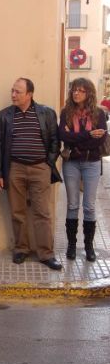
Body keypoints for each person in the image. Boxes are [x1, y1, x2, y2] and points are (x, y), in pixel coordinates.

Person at [0, 78, 62, 270]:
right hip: (14, 169)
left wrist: (48, 164)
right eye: (12, 91)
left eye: (18, 92)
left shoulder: (46, 113)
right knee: (17, 212)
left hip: (40, 169)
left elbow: (56, 141)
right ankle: (21, 249)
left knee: (42, 213)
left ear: (29, 94)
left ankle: (46, 254)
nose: (13, 95)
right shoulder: (4, 116)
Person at [59, 78, 107, 261]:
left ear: (89, 94)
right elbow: (63, 136)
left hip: (92, 163)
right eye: (74, 90)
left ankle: (88, 247)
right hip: (71, 162)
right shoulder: (66, 113)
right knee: (72, 204)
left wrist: (74, 137)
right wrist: (87, 135)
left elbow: (100, 139)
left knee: (89, 206)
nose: (76, 93)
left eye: (80, 90)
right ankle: (71, 246)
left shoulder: (99, 114)